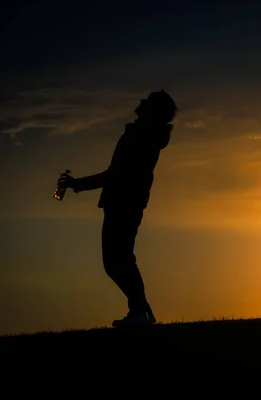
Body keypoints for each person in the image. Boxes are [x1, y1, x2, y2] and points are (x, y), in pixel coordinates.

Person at [58, 90, 177, 328]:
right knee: (119, 260)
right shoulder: (142, 135)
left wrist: (78, 184)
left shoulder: (141, 137)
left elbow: (115, 174)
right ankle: (142, 312)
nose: (140, 102)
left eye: (147, 101)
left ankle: (140, 312)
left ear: (152, 111)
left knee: (117, 261)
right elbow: (116, 172)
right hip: (125, 202)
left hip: (124, 202)